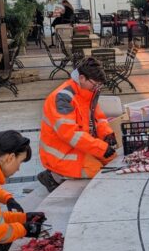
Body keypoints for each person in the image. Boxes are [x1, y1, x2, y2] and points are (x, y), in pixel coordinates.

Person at [37, 58, 117, 191]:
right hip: (61, 154)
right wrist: (100, 148)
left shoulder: (87, 93)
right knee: (97, 170)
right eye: (95, 84)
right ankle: (53, 176)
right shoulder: (62, 98)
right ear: (82, 78)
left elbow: (99, 118)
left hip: (78, 146)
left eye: (99, 85)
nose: (97, 88)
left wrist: (107, 134)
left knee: (113, 160)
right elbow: (70, 134)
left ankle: (57, 174)